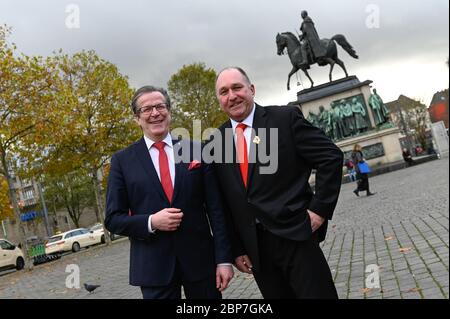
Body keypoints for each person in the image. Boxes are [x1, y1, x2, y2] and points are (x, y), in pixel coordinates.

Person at [212, 67, 342, 299]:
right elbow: (223, 201)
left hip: (296, 236)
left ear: (251, 89)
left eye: (237, 87)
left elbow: (330, 157)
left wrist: (319, 210)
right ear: (219, 100)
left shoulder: (284, 118)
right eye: (224, 92)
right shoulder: (215, 141)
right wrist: (237, 248)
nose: (231, 96)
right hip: (257, 252)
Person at [105, 86, 233, 299]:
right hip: (153, 269)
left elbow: (217, 211)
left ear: (169, 112)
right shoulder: (122, 161)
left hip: (201, 264)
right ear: (137, 118)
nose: (155, 113)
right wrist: (151, 222)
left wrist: (223, 260)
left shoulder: (197, 150)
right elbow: (112, 219)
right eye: (147, 109)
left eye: (160, 106)